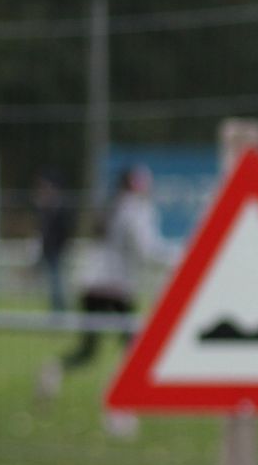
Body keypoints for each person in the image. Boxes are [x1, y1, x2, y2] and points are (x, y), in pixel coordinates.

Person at [36, 164, 178, 432]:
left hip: (90, 284)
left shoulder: (111, 206)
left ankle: (54, 370)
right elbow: (148, 250)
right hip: (115, 286)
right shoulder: (135, 210)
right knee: (133, 350)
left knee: (89, 349)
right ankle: (117, 405)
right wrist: (179, 258)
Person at [31, 173, 77, 314]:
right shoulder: (47, 206)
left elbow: (64, 230)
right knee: (53, 280)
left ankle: (59, 308)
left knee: (56, 280)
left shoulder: (59, 206)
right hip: (47, 248)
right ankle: (57, 307)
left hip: (56, 248)